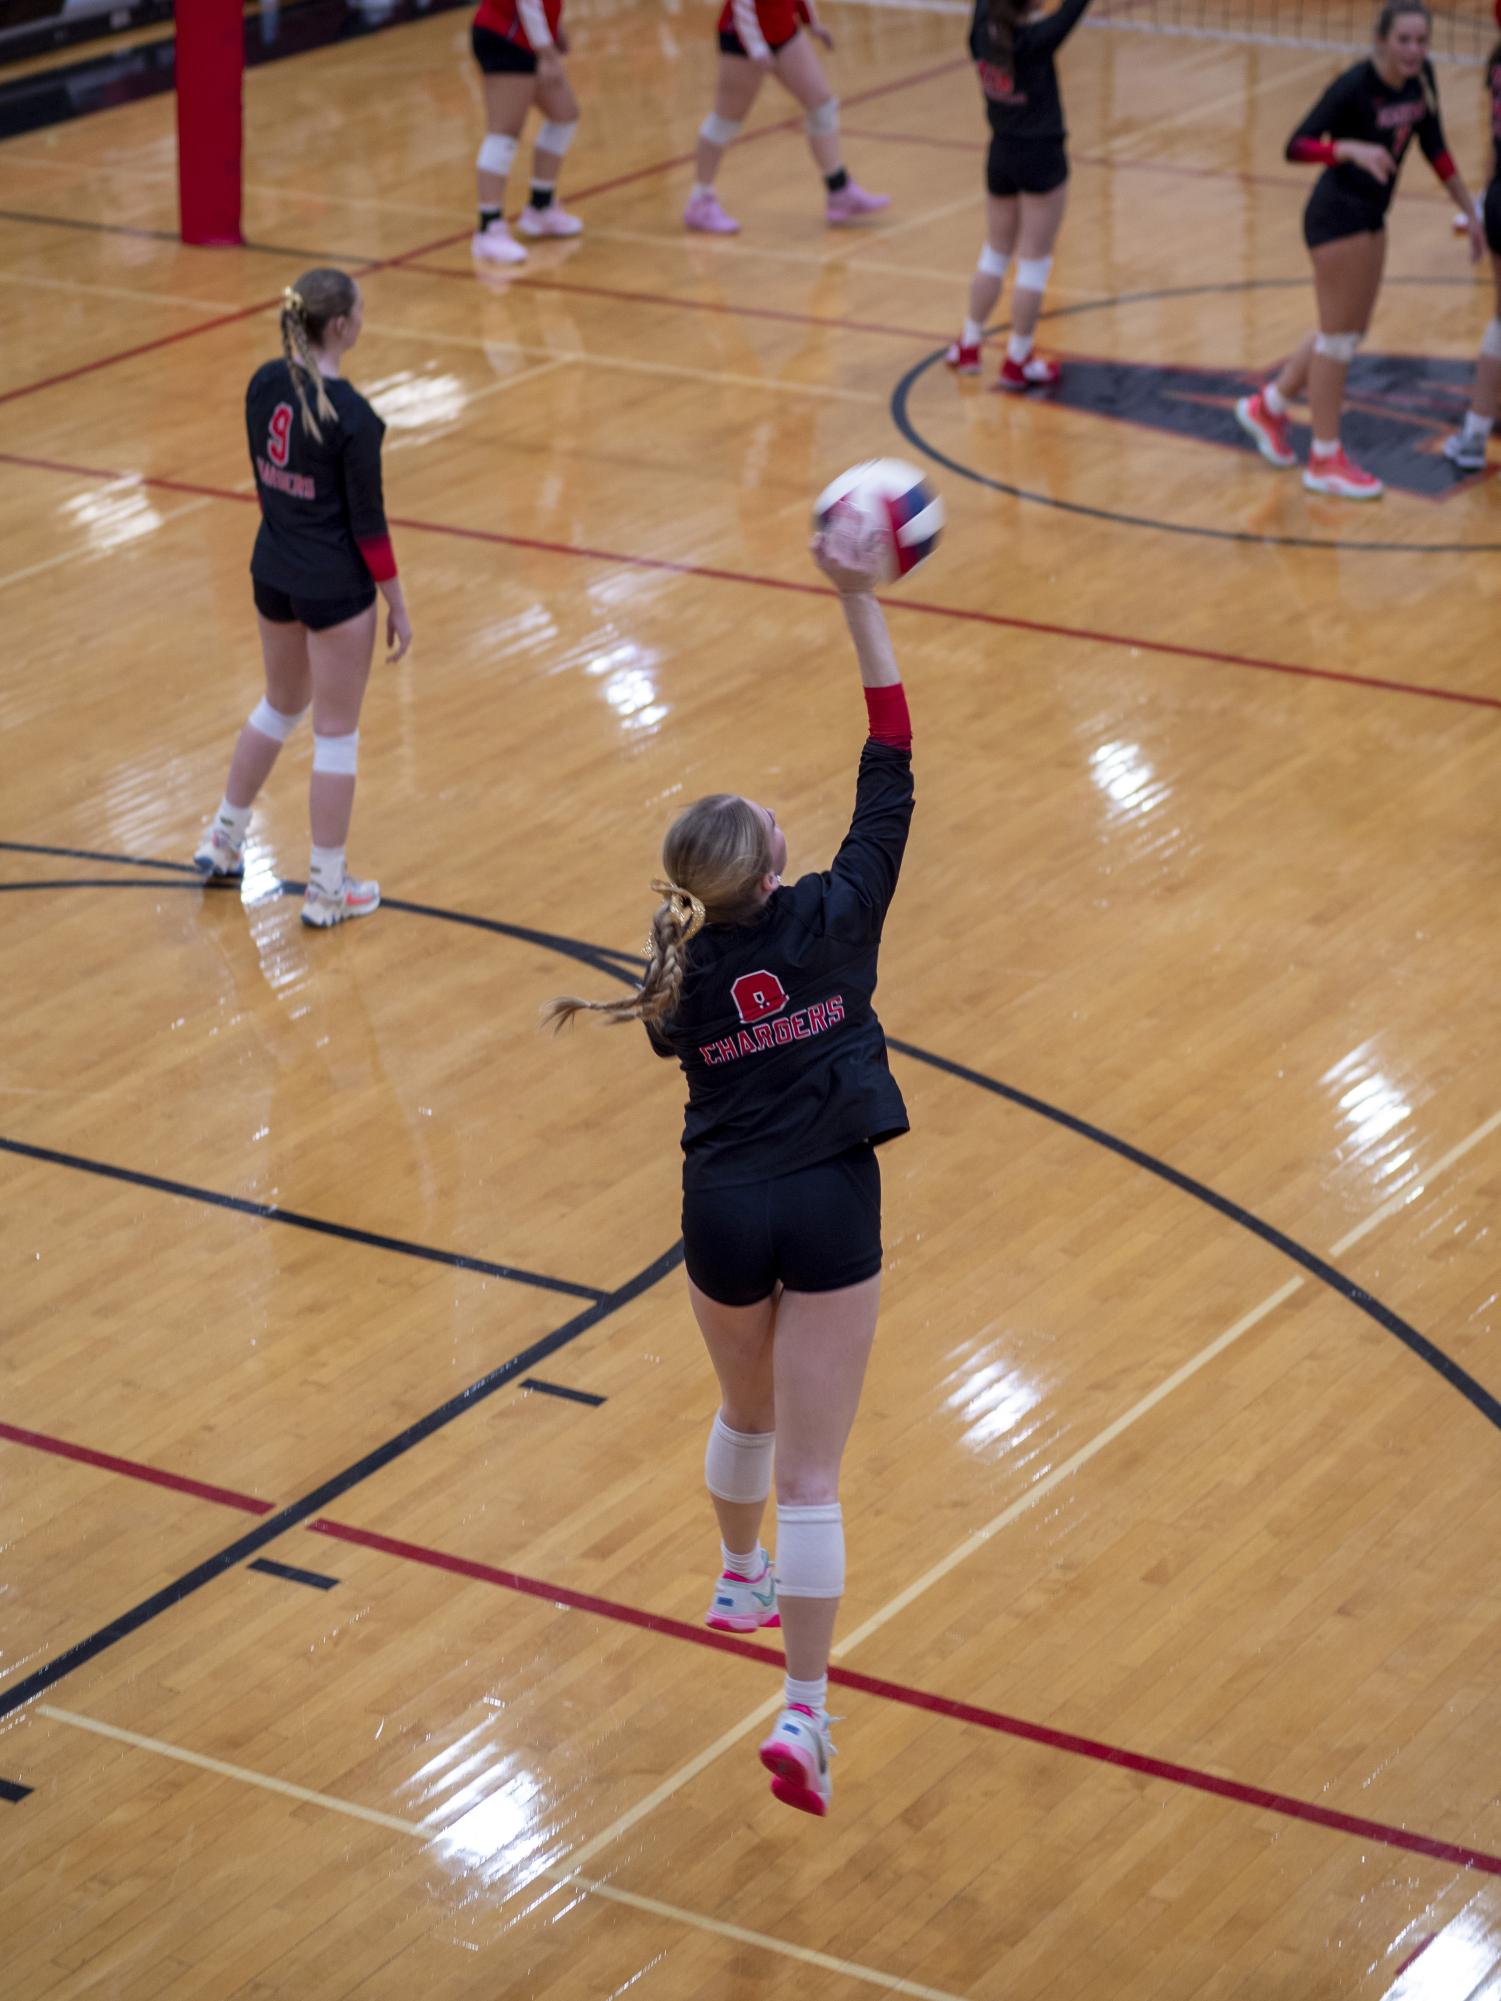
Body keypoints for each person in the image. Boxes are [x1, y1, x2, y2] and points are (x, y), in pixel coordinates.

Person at [543, 508, 914, 1818]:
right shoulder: (835, 913)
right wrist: (855, 598)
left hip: (720, 1213)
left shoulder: (681, 968)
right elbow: (891, 751)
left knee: (745, 1419)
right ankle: (804, 1716)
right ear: (772, 863)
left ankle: (735, 1574)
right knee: (816, 1467)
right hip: (825, 1207)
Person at [194, 269, 412, 928]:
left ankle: (222, 838)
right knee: (335, 736)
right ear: (340, 326)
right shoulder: (354, 419)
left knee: (279, 704)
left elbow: (270, 480)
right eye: (361, 309)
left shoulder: (263, 383)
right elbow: (368, 530)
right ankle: (324, 888)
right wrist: (397, 603)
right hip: (335, 585)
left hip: (274, 570)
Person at [1235, 2, 1482, 500]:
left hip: (1372, 216)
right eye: (1405, 40)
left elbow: (1433, 144)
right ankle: (1324, 459)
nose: (1414, 51)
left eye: (1421, 41)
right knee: (1339, 339)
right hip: (1335, 216)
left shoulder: (1422, 80)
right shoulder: (1355, 86)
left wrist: (1470, 210)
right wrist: (1347, 149)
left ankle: (1270, 406)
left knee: (1346, 331)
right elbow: (1296, 145)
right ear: (1382, 40)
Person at [945, 0, 1092, 388]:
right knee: (1033, 263)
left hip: (1001, 153)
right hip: (1041, 155)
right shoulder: (1037, 39)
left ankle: (969, 345)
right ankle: (1017, 361)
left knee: (995, 253)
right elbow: (1073, 9)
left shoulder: (980, 36)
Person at [684, 0, 888, 235]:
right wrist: (757, 48)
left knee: (821, 104)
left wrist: (812, 22)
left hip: (782, 28)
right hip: (744, 34)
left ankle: (839, 191)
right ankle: (700, 202)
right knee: (726, 121)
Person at [470, 0, 583, 266]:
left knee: (564, 115)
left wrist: (556, 30)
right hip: (505, 37)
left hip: (530, 37)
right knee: (504, 133)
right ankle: (489, 230)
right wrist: (547, 53)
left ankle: (540, 208)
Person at [1442, 14, 1501, 470]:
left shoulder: (1496, 60)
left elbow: (1490, 148)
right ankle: (1475, 432)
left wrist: (1482, 204)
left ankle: (1474, 435)